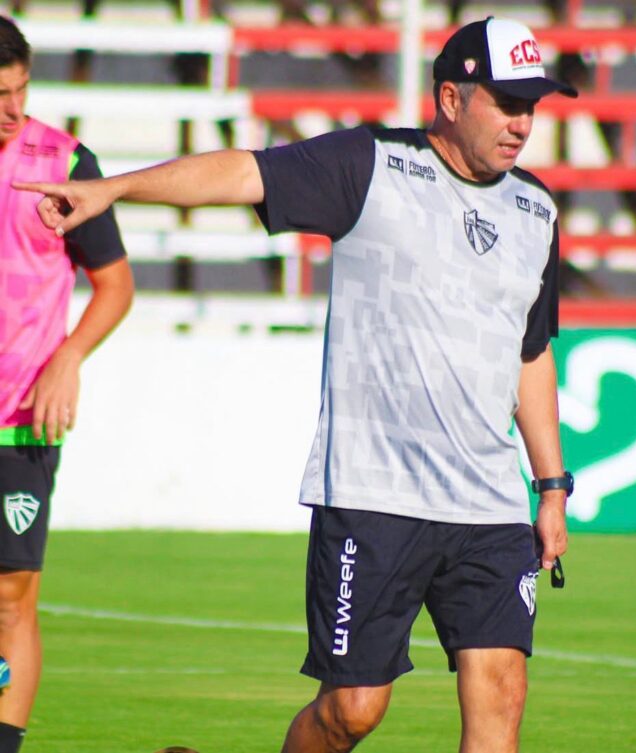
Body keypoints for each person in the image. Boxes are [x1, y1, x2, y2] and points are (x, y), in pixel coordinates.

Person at [18, 17, 576, 753]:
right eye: (506, 103)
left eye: (531, 105)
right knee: (352, 710)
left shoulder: (536, 211)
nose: (522, 123)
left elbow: (529, 353)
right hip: (376, 495)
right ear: (450, 98)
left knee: (503, 691)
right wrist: (114, 189)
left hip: (488, 503)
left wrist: (551, 485)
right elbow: (241, 173)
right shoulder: (370, 166)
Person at [0, 16, 133, 753]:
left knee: (10, 598)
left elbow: (115, 284)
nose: (13, 109)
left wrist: (69, 356)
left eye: (21, 90)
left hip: (20, 416)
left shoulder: (64, 161)